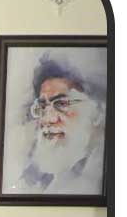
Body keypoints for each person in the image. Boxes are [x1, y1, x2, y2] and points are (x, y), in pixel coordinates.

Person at [10, 54, 107, 196]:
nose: (47, 119)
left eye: (61, 104)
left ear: (98, 110)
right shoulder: (34, 178)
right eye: (42, 106)